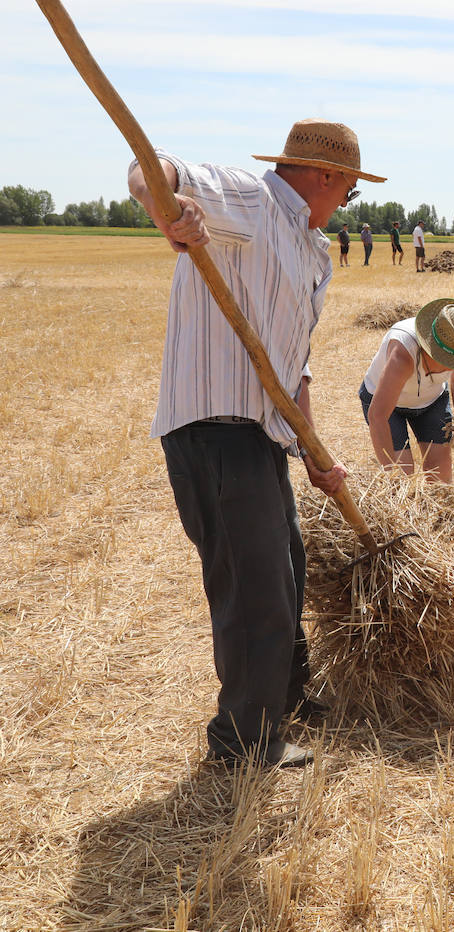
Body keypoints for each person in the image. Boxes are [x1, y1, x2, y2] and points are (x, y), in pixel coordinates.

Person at [126, 118, 382, 767]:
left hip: (261, 435)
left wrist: (313, 449)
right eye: (349, 189)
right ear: (324, 177)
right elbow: (149, 170)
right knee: (253, 588)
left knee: (286, 570)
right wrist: (167, 213)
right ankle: (242, 741)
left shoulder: (312, 251)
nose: (347, 202)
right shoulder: (252, 200)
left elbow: (293, 366)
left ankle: (284, 698)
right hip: (214, 427)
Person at [360, 299, 454, 482]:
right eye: (446, 360)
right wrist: (391, 474)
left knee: (440, 478)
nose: (452, 367)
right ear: (429, 348)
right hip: (388, 408)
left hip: (431, 402)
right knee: (402, 477)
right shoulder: (403, 355)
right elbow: (378, 416)